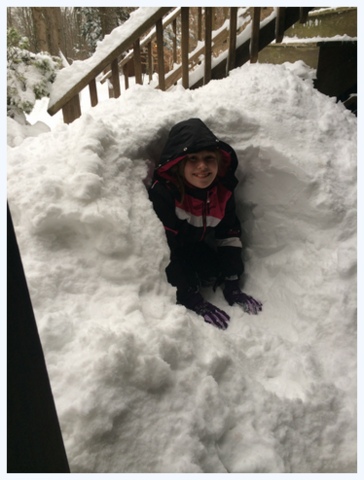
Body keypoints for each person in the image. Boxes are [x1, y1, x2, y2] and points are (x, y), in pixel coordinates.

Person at [149, 118, 262, 330]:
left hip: (196, 245)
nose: (202, 166)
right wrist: (188, 296)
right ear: (178, 163)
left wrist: (232, 281)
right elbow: (164, 249)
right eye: (192, 158)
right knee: (188, 284)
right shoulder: (165, 194)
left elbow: (228, 233)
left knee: (212, 271)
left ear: (218, 162)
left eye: (209, 158)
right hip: (173, 251)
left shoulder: (222, 192)